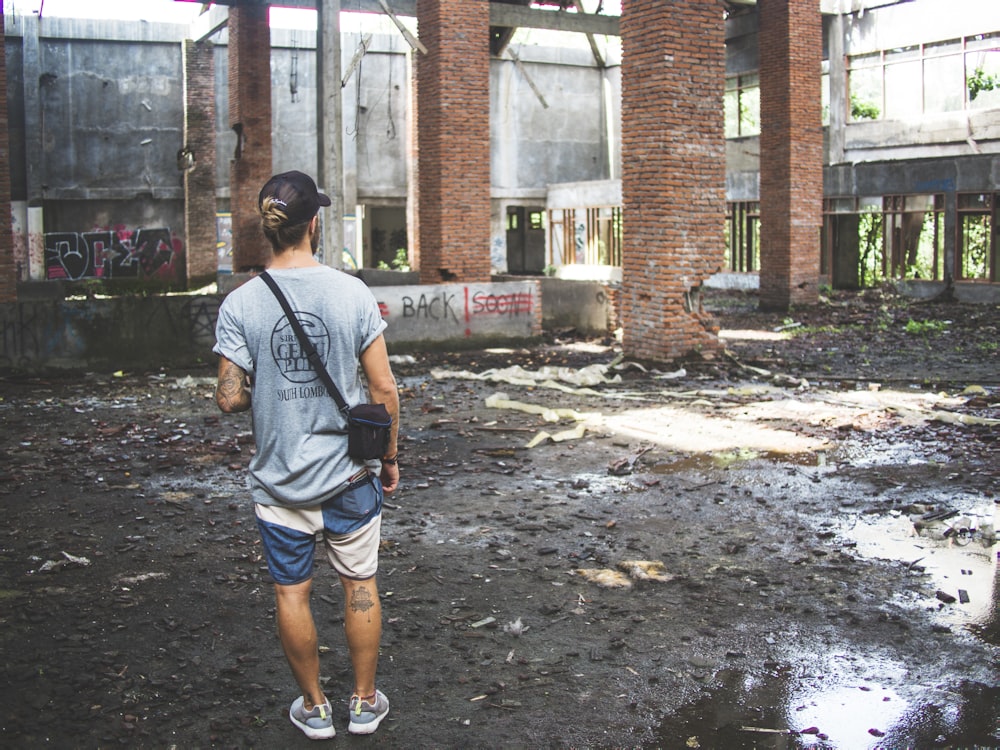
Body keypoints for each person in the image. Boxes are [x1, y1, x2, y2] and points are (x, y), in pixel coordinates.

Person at [213, 170, 399, 740]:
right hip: (348, 476)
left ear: (269, 231)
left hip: (279, 483)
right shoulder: (351, 293)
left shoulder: (240, 303)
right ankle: (364, 705)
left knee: (291, 592)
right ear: (314, 224)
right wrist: (388, 460)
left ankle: (315, 709)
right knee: (359, 583)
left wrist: (258, 385)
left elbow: (228, 399)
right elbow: (385, 390)